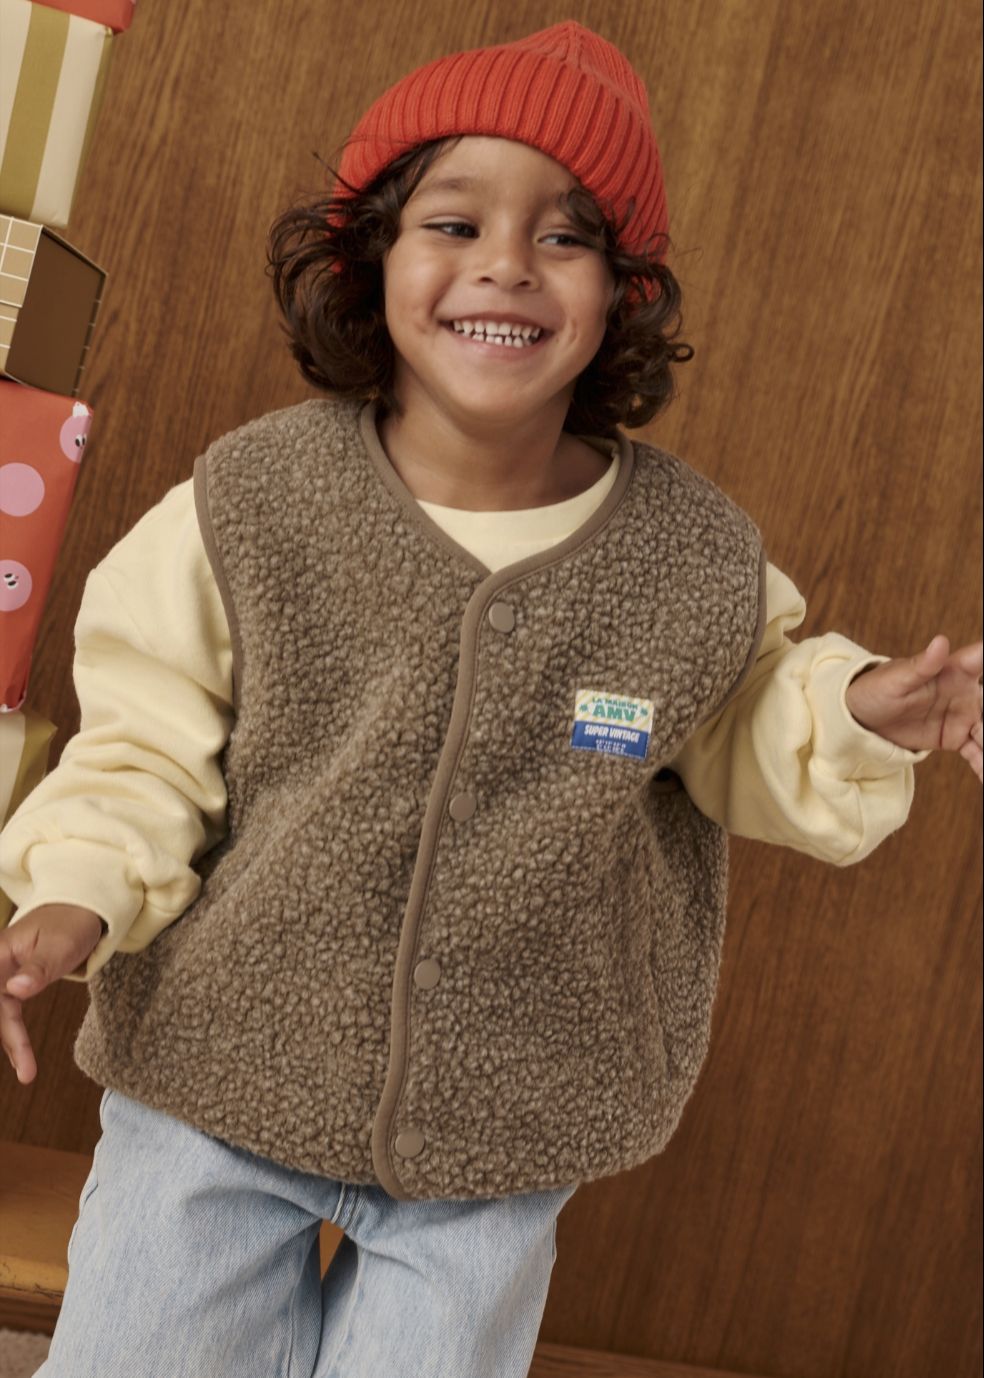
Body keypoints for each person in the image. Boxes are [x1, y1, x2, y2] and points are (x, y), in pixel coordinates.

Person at [1, 19, 981, 1378]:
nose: (507, 263)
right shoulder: (244, 508)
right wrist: (72, 895)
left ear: (624, 293)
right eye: (454, 224)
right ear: (369, 263)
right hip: (219, 1072)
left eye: (565, 237)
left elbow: (753, 714)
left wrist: (864, 707)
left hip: (505, 1114)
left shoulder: (691, 558)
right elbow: (144, 753)